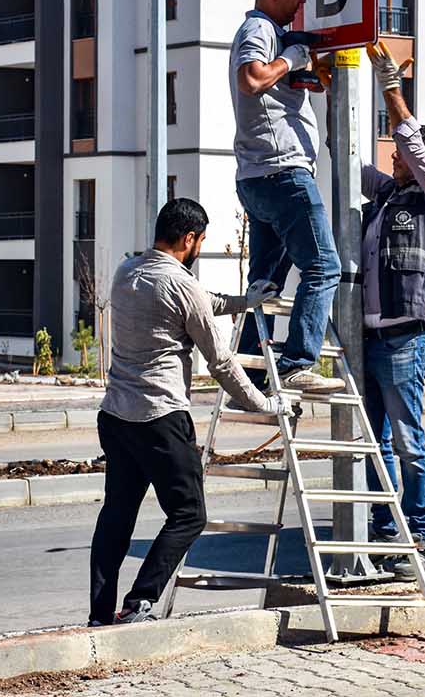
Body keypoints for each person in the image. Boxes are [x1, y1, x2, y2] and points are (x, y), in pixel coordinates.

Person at [88, 198, 283, 626]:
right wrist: (265, 404)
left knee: (117, 516)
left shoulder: (127, 272)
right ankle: (140, 601)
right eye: (201, 242)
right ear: (189, 239)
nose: (201, 249)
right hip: (161, 417)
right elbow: (222, 362)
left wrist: (242, 301)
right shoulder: (181, 284)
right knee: (190, 514)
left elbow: (195, 302)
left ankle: (100, 613)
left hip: (117, 416)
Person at [360, 41, 425, 582]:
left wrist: (391, 86)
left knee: (408, 442)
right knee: (377, 445)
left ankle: (417, 536)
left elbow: (408, 143)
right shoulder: (386, 198)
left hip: (402, 341)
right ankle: (383, 532)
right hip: (369, 340)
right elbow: (346, 162)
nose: (394, 159)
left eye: (404, 155)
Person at [228, 0, 344, 395]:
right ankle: (296, 363)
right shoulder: (258, 29)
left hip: (259, 177)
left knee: (265, 284)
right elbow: (252, 79)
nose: (302, 1)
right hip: (282, 174)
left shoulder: (270, 32)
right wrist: (292, 59)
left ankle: (253, 372)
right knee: (323, 267)